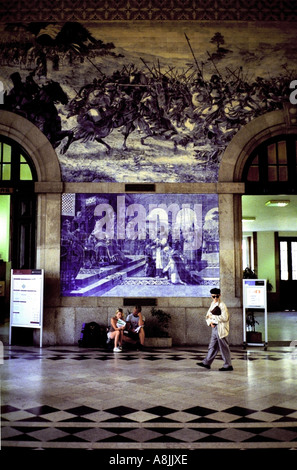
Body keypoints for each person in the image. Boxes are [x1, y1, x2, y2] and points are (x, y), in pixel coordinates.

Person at [197, 288, 233, 371]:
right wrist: (210, 322)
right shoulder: (212, 304)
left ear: (220, 295)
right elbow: (207, 316)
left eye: (217, 296)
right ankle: (207, 363)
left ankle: (228, 365)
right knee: (212, 346)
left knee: (224, 347)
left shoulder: (222, 305)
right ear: (211, 296)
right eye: (213, 296)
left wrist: (213, 317)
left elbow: (225, 318)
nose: (215, 298)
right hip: (214, 328)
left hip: (221, 328)